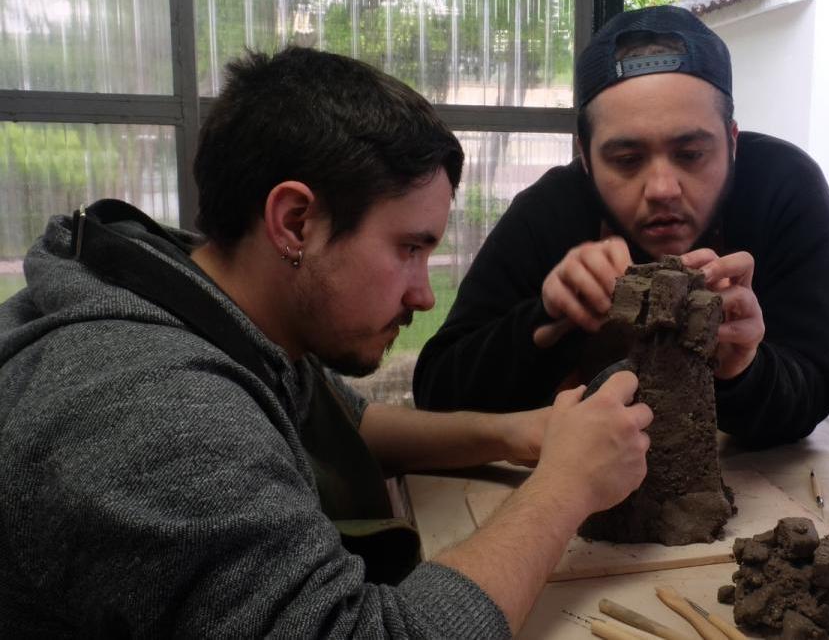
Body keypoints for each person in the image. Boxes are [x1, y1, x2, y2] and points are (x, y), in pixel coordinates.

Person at [0, 47, 653, 637]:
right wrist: (566, 484)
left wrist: (521, 434)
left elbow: (344, 419)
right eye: (409, 248)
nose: (425, 295)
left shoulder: (193, 294)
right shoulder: (158, 414)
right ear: (295, 222)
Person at [414, 5, 829, 448]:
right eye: (626, 160)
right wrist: (547, 320)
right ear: (585, 157)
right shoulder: (549, 211)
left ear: (732, 142)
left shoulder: (784, 191)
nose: (662, 189)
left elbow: (812, 393)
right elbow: (437, 395)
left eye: (692, 154)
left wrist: (744, 369)